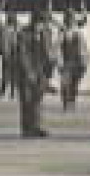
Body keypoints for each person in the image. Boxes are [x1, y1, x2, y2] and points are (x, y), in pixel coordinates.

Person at [15, 10, 59, 138]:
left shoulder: (46, 33)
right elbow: (22, 54)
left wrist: (50, 68)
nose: (42, 26)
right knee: (26, 100)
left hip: (41, 71)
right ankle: (26, 129)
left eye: (44, 24)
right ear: (34, 21)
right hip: (25, 72)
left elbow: (49, 52)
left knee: (37, 101)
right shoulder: (24, 34)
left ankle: (37, 126)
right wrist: (29, 72)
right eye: (41, 23)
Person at [59, 11, 90, 110]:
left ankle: (71, 101)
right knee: (65, 83)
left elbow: (84, 49)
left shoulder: (78, 32)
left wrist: (85, 61)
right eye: (67, 19)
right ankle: (66, 102)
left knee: (74, 83)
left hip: (77, 62)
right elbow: (58, 47)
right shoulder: (62, 32)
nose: (69, 21)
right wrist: (59, 61)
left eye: (71, 19)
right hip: (66, 62)